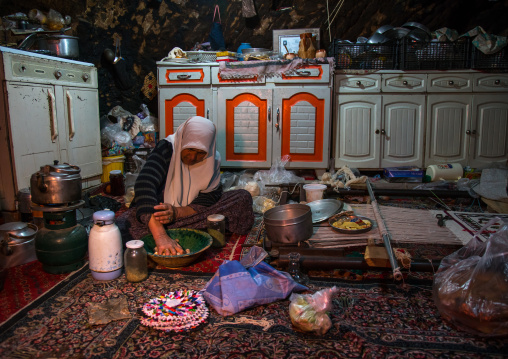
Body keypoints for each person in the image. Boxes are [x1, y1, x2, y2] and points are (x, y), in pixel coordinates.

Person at [117, 116, 254, 256]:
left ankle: (173, 230)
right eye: (189, 149)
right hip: (159, 215)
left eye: (201, 152)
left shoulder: (213, 158)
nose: (193, 157)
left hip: (186, 213)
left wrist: (177, 212)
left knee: (242, 198)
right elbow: (145, 183)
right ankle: (169, 231)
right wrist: (160, 236)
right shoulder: (167, 147)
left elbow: (211, 195)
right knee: (121, 227)